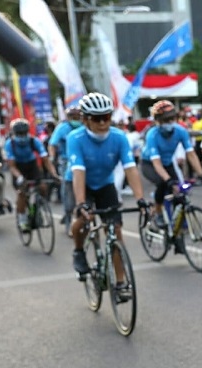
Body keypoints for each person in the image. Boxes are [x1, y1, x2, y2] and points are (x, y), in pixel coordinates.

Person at [68, 93, 147, 299]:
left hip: (104, 184)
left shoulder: (119, 137)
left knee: (116, 231)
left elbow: (130, 168)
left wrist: (140, 199)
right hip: (80, 182)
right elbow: (78, 171)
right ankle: (78, 250)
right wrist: (81, 203)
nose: (103, 122)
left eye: (107, 117)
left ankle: (120, 284)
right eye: (96, 118)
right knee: (83, 219)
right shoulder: (75, 139)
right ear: (85, 120)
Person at [140, 99, 202, 231]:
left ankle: (179, 226)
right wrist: (168, 180)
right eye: (165, 120)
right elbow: (156, 163)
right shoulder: (152, 135)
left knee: (180, 191)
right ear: (157, 121)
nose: (169, 123)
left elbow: (191, 155)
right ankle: (158, 212)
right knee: (163, 183)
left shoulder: (180, 131)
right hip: (150, 164)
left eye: (172, 119)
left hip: (167, 164)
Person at [5, 118, 59, 232]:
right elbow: (12, 166)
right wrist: (19, 177)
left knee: (43, 186)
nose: (22, 136)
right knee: (22, 194)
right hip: (18, 168)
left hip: (32, 166)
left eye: (24, 133)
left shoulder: (34, 141)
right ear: (14, 133)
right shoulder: (10, 144)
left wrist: (54, 173)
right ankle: (23, 219)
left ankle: (38, 206)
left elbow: (45, 160)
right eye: (19, 134)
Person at [48, 106, 83, 234]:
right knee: (67, 190)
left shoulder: (84, 127)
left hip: (83, 161)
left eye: (78, 117)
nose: (76, 120)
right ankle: (68, 218)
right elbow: (52, 144)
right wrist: (52, 157)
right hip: (66, 162)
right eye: (73, 117)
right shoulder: (62, 129)